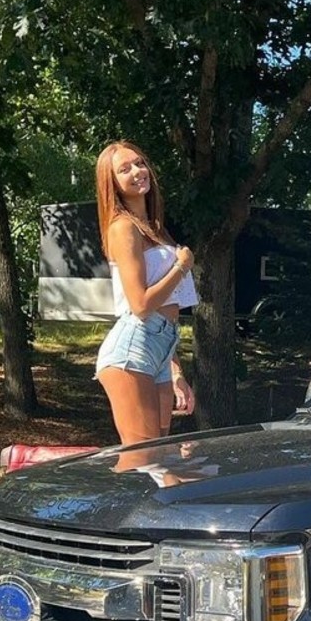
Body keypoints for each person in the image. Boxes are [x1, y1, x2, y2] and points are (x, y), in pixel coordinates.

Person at [93, 141, 197, 454]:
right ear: (112, 183)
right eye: (124, 169)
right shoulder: (123, 227)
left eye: (140, 163)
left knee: (161, 456)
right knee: (144, 458)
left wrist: (176, 372)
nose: (138, 171)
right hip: (133, 347)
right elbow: (140, 305)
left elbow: (165, 315)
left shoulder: (155, 229)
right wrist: (181, 266)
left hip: (161, 346)